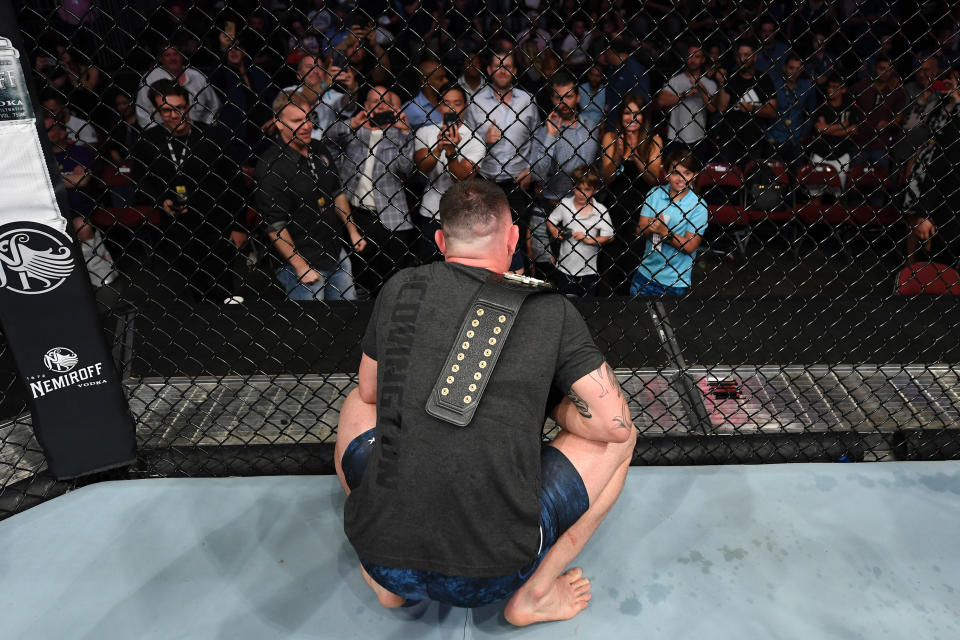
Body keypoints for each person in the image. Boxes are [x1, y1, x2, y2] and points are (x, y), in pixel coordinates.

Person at [335, 179, 636, 624]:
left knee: (356, 401)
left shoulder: (401, 287)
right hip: (492, 575)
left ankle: (387, 579)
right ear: (513, 238)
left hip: (384, 560)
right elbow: (613, 424)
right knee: (622, 442)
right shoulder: (551, 309)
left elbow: (370, 391)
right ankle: (534, 595)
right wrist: (544, 398)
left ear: (440, 241)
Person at [129, 81, 246, 304]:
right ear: (157, 111)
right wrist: (160, 201)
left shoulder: (212, 136)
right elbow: (140, 182)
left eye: (180, 108)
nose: (175, 115)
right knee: (190, 292)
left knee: (225, 291)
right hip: (176, 230)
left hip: (216, 225)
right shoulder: (148, 141)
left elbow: (236, 183)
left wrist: (239, 226)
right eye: (166, 110)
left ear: (189, 106)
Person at [255, 89, 366, 302]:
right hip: (301, 260)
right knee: (311, 327)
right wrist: (300, 266)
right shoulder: (271, 166)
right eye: (297, 121)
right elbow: (275, 225)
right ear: (278, 123)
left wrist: (352, 231)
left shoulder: (318, 148)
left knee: (347, 316)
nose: (306, 126)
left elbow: (336, 192)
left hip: (335, 251)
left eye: (308, 118)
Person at [325, 86, 417, 297]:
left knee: (392, 279)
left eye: (386, 101)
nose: (381, 105)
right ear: (366, 106)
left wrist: (405, 133)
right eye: (375, 101)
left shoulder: (399, 134)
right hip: (355, 215)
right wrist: (352, 124)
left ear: (395, 108)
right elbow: (326, 142)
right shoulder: (354, 131)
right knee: (358, 277)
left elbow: (407, 168)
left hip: (391, 218)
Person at [465, 45, 539, 227]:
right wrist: (483, 141)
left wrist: (531, 169)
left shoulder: (527, 100)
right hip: (485, 182)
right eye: (498, 66)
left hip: (518, 183)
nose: (503, 71)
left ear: (514, 71)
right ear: (489, 70)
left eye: (507, 66)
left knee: (517, 238)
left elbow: (537, 138)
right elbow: (465, 142)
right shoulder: (476, 102)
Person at [413, 84, 484, 263]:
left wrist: (452, 152)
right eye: (446, 103)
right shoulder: (425, 132)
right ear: (439, 107)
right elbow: (422, 166)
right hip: (430, 212)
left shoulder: (475, 139)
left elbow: (463, 178)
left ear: (465, 107)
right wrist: (437, 149)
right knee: (428, 266)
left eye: (457, 103)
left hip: (462, 216)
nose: (451, 108)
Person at [600, 95, 664, 295]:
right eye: (628, 113)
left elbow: (653, 178)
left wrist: (635, 156)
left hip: (642, 208)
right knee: (612, 261)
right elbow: (607, 178)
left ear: (644, 117)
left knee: (636, 259)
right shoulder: (611, 137)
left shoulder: (654, 140)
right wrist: (618, 157)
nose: (632, 118)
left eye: (637, 113)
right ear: (621, 116)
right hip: (615, 207)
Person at [45, 116, 117, 287]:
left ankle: (101, 274)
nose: (46, 133)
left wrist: (52, 180)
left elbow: (82, 181)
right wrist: (70, 178)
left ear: (62, 131)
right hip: (50, 207)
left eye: (51, 129)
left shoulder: (80, 152)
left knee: (81, 225)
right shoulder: (40, 155)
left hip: (79, 205)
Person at [902, 67, 960, 267]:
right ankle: (913, 263)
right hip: (928, 159)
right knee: (914, 211)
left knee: (942, 215)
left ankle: (931, 263)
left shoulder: (956, 109)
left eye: (956, 80)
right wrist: (913, 160)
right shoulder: (941, 105)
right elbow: (923, 130)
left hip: (949, 166)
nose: (952, 83)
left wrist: (957, 100)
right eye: (950, 79)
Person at [631, 149, 708, 297]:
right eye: (675, 173)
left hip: (675, 282)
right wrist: (651, 228)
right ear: (666, 174)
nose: (681, 179)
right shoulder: (655, 193)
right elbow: (639, 230)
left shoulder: (698, 206)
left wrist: (664, 232)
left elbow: (690, 246)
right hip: (645, 274)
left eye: (687, 173)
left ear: (694, 175)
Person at [529, 71, 600, 207]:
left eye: (569, 96)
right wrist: (550, 136)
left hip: (587, 204)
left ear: (578, 97)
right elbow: (537, 174)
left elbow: (597, 165)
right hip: (554, 204)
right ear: (552, 99)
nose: (564, 103)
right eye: (558, 98)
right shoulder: (544, 132)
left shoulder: (591, 126)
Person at [546, 165, 613, 296]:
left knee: (586, 307)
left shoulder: (600, 210)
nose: (582, 194)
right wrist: (554, 230)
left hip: (588, 271)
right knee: (565, 304)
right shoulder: (565, 204)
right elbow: (550, 221)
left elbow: (610, 237)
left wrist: (588, 239)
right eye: (578, 188)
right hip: (564, 268)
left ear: (595, 190)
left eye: (587, 190)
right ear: (572, 186)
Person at [714, 40, 777, 167]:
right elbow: (721, 107)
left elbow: (772, 111)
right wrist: (721, 83)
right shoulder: (730, 77)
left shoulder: (764, 79)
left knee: (751, 181)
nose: (742, 59)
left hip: (754, 142)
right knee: (728, 182)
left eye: (746, 55)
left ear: (755, 57)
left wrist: (752, 108)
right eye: (739, 55)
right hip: (729, 141)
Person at [655, 44, 719, 162]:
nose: (692, 59)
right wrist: (685, 94)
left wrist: (699, 86)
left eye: (697, 56)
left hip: (698, 138)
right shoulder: (674, 80)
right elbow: (661, 101)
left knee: (695, 175)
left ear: (703, 59)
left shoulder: (709, 84)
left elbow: (712, 108)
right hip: (675, 137)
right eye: (690, 56)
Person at [136, 43, 221, 128]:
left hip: (197, 132)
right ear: (161, 58)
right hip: (164, 134)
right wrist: (157, 134)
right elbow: (142, 112)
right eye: (167, 55)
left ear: (182, 56)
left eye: (176, 54)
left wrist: (205, 127)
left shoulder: (198, 77)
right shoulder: (149, 79)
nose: (172, 58)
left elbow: (214, 106)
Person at [808, 73, 862, 195]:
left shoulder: (850, 107)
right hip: (820, 154)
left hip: (841, 155)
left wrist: (828, 128)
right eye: (830, 86)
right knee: (815, 194)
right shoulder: (821, 106)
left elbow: (854, 130)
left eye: (835, 87)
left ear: (843, 89)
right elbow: (819, 129)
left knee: (838, 194)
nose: (831, 90)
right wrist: (842, 127)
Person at [851, 55, 906, 171]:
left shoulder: (896, 92)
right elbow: (848, 108)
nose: (885, 72)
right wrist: (851, 125)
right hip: (859, 143)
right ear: (875, 68)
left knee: (880, 183)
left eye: (889, 69)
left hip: (881, 145)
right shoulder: (860, 87)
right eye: (882, 68)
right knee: (854, 181)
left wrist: (888, 123)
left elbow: (900, 116)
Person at [768, 55, 817, 169]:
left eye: (798, 69)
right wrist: (769, 136)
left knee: (796, 177)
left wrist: (803, 135)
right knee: (774, 177)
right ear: (785, 68)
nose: (794, 72)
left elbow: (812, 112)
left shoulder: (807, 86)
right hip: (775, 137)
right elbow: (767, 111)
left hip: (796, 139)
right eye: (791, 68)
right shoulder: (775, 85)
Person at [402, 59, 449, 130]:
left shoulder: (453, 101)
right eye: (440, 78)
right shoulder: (410, 109)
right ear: (425, 82)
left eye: (445, 77)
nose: (446, 81)